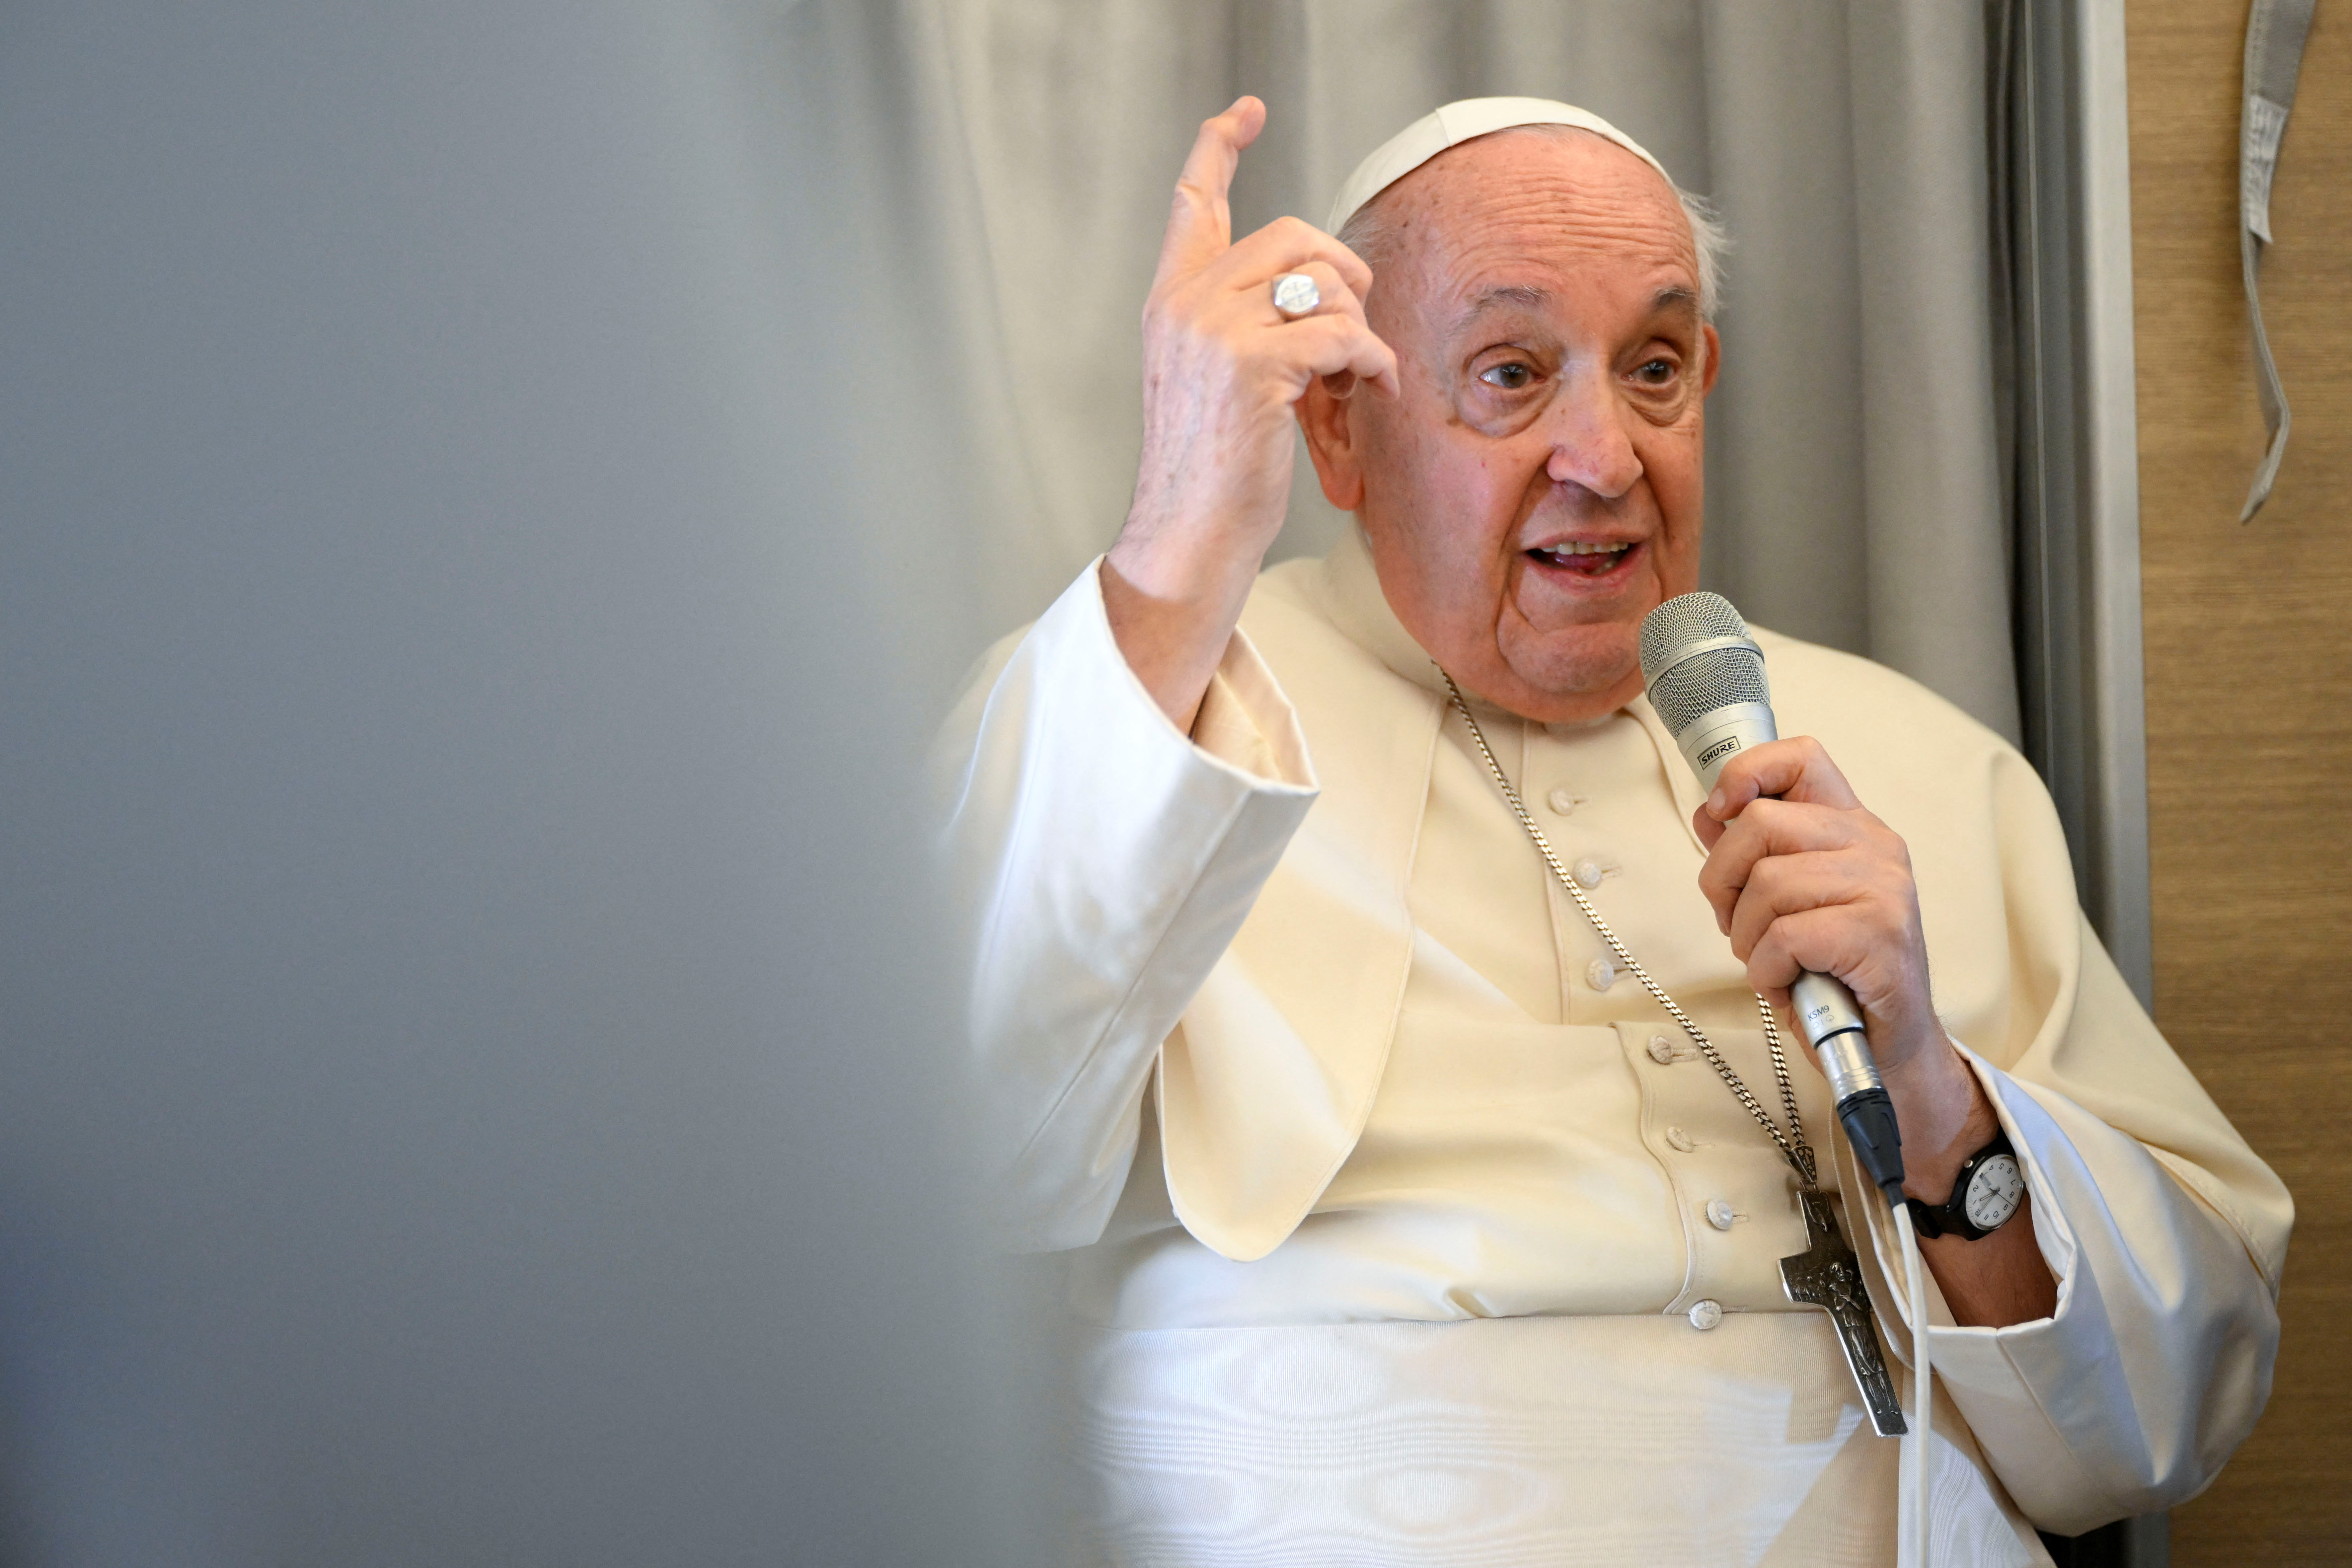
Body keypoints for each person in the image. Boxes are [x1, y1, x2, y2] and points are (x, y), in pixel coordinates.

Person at [933, 95, 2289, 1565]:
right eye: (1510, 375)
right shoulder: (1132, 714)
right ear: (1339, 426)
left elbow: (2165, 1422)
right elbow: (948, 1162)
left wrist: (1930, 1087)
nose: (1603, 454)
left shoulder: (1913, 764)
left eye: (1651, 370)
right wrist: (1176, 544)